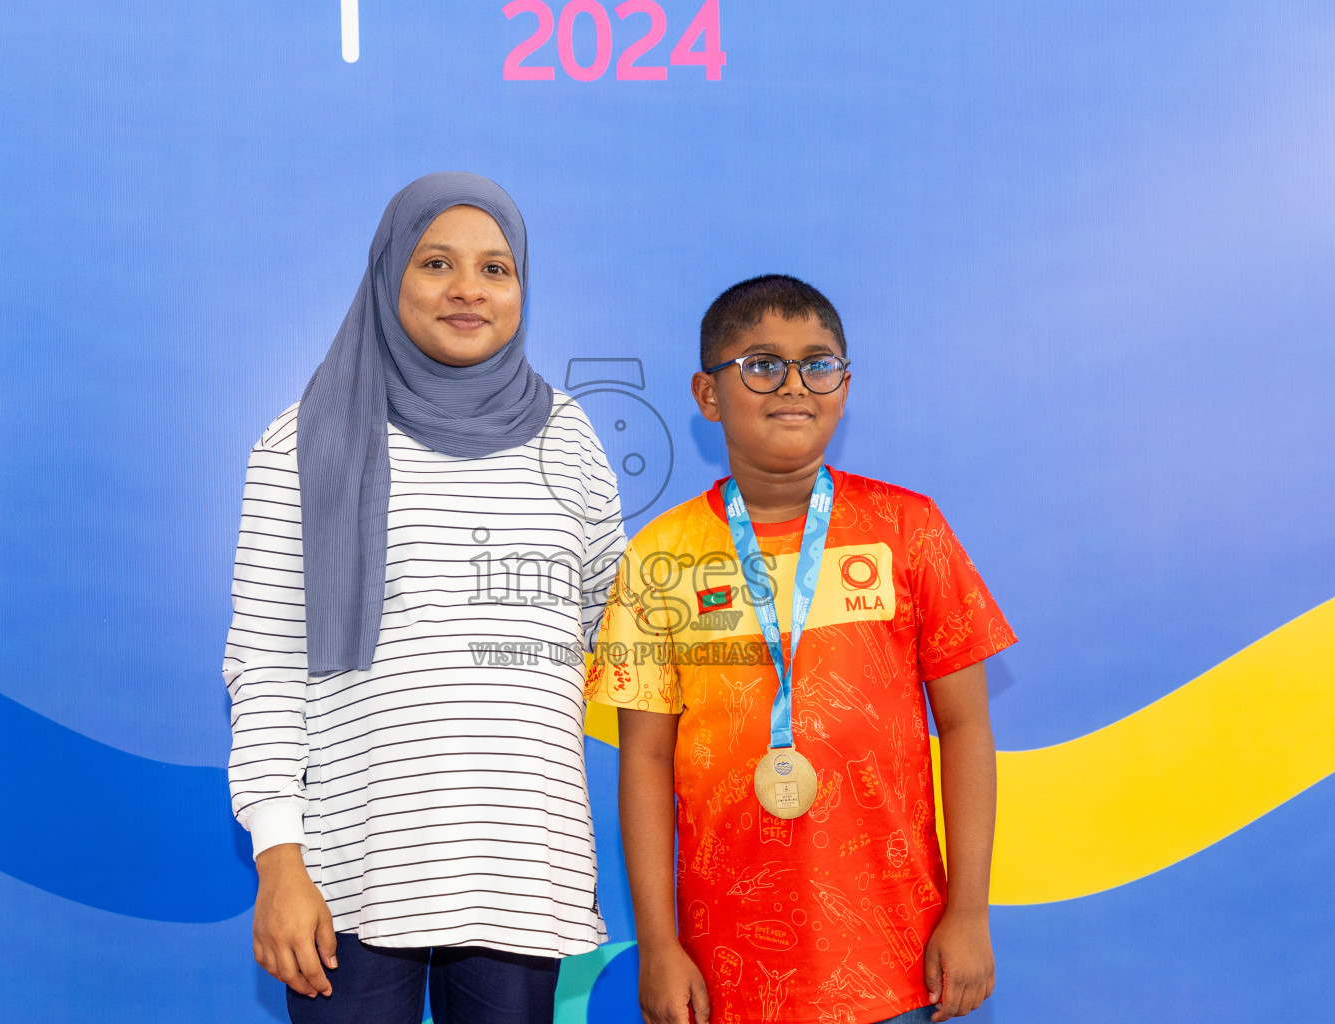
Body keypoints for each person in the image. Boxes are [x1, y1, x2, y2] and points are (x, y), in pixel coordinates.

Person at [222, 172, 626, 1024]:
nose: (467, 289)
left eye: (496, 268)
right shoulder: (303, 441)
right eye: (437, 262)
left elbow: (595, 620)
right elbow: (264, 667)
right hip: (350, 868)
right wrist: (279, 861)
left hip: (520, 867)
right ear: (388, 274)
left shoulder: (574, 440)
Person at [585, 274, 1015, 1024]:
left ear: (844, 388)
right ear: (708, 394)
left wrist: (969, 912)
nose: (793, 385)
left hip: (896, 955)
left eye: (818, 364)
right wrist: (658, 943)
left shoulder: (909, 529)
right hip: (726, 970)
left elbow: (968, 728)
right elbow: (646, 761)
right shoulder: (663, 556)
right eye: (760, 364)